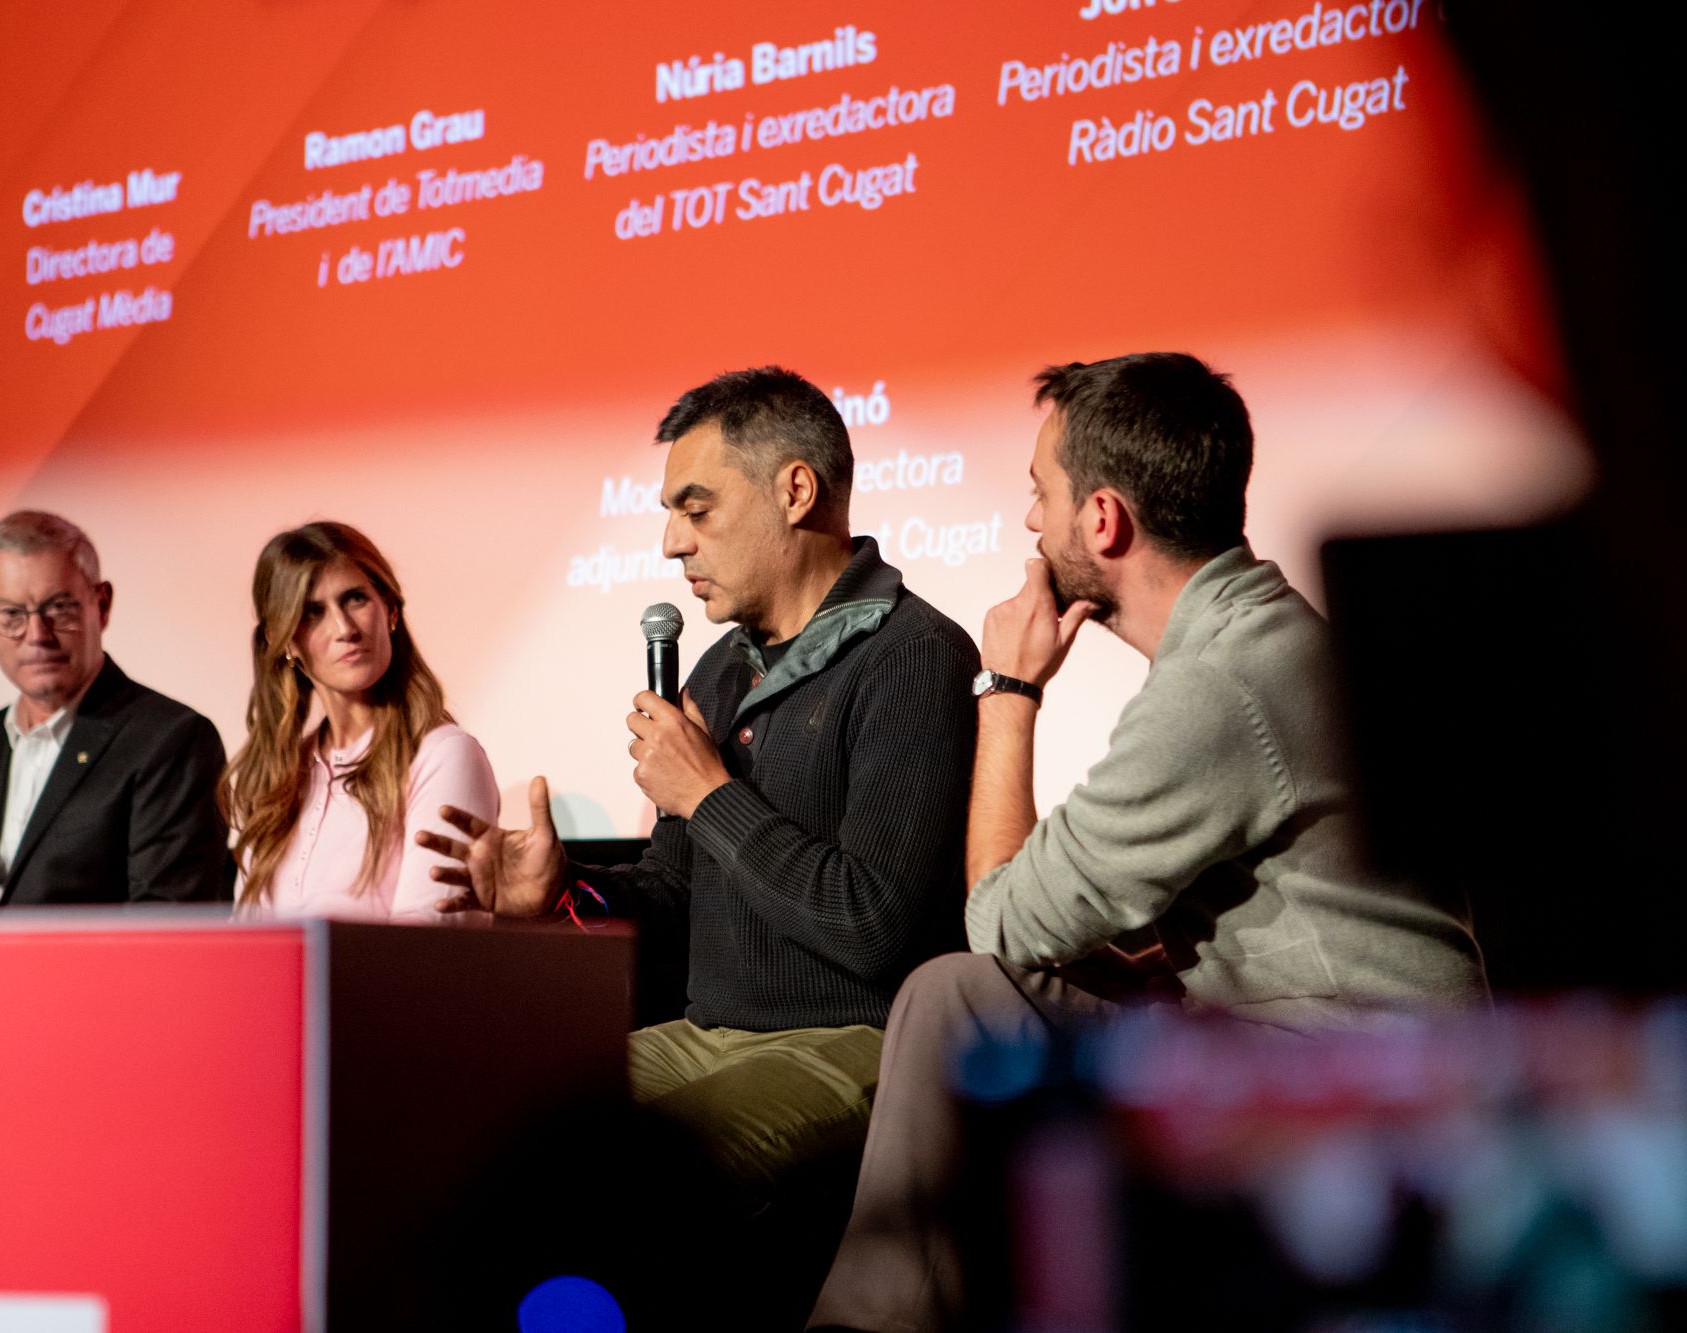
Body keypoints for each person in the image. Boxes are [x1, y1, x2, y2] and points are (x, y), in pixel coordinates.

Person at [808, 353, 1490, 1332]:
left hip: (1354, 1083)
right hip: (1294, 1041)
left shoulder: (1218, 686)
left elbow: (997, 922)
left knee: (957, 994)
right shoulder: (1254, 642)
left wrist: (1006, 693)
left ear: (1101, 520)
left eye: (1037, 495)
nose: (1027, 525)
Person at [418, 367, 980, 1319]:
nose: (672, 541)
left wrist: (711, 792)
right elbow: (674, 890)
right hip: (704, 1031)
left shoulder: (915, 654)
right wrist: (565, 894)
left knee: (624, 1177)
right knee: (467, 1117)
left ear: (795, 492)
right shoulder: (723, 670)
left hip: (850, 1039)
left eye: (697, 508)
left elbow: (874, 925)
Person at [0, 510, 230, 907]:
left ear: (101, 605)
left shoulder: (171, 741)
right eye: (12, 615)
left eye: (58, 609)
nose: (37, 636)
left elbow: (161, 927)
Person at [220, 521, 496, 920]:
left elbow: (430, 953)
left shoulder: (445, 755)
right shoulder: (277, 779)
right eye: (312, 613)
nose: (344, 629)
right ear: (286, 645)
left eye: (355, 599)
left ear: (392, 611)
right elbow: (246, 948)